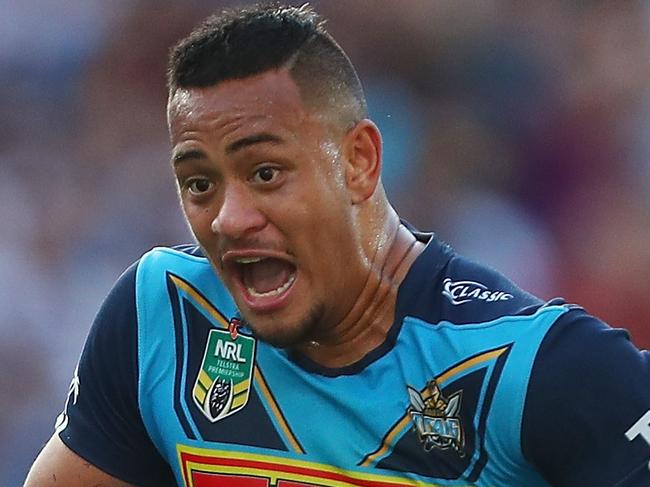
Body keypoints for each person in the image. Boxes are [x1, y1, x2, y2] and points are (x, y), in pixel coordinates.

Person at [25, 4, 650, 487]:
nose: (228, 219)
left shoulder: (530, 366)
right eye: (198, 183)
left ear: (359, 161)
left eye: (265, 172)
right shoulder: (162, 316)